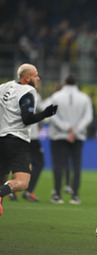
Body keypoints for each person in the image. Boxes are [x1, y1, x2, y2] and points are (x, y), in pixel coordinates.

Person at [0, 63, 58, 215]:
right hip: (17, 140)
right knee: (22, 182)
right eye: (35, 75)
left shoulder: (4, 87)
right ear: (27, 78)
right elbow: (26, 119)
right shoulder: (28, 91)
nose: (38, 78)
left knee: (2, 181)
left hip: (1, 139)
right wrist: (45, 114)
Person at [48, 74, 93, 205]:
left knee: (58, 164)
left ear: (64, 84)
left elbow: (52, 115)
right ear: (76, 84)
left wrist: (66, 128)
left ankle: (57, 195)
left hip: (58, 135)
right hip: (78, 136)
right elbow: (88, 117)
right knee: (76, 165)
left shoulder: (56, 96)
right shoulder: (84, 98)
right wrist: (75, 130)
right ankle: (75, 196)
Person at [22, 83, 45, 202]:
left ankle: (10, 191)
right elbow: (41, 109)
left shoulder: (16, 93)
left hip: (18, 135)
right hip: (32, 136)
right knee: (39, 163)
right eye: (36, 78)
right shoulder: (35, 95)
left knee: (17, 163)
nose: (38, 81)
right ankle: (28, 191)